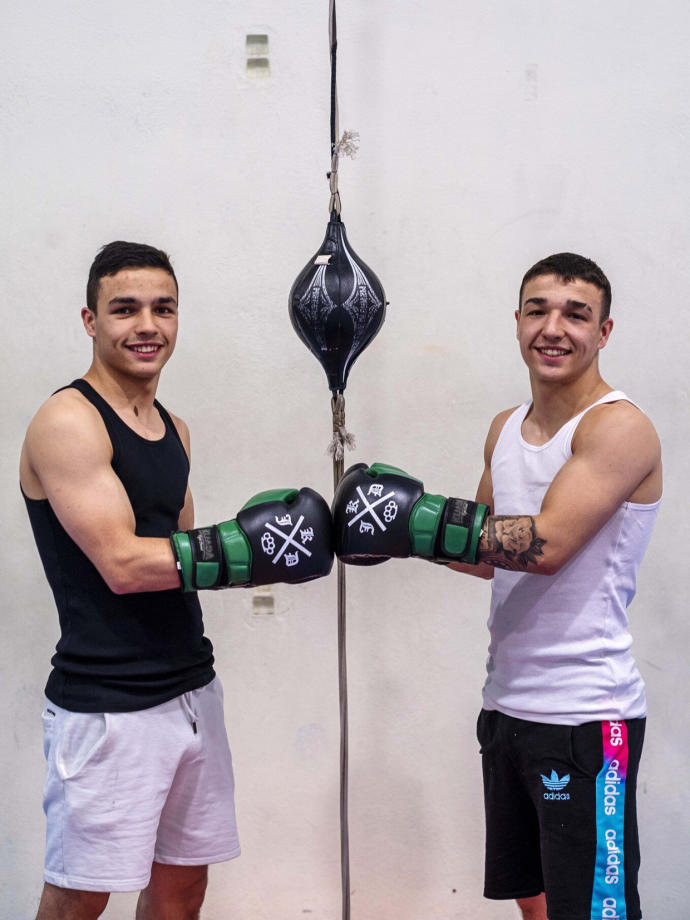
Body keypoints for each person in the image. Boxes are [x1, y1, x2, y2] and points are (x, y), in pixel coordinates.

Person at [331, 253, 662, 920]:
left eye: (576, 314)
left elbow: (543, 546)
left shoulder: (618, 427)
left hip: (587, 717)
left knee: (593, 910)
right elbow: (485, 553)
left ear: (605, 332)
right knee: (530, 894)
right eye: (538, 309)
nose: (554, 327)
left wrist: (413, 520)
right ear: (517, 322)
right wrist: (386, 533)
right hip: (508, 706)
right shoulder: (505, 428)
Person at [20, 241, 333, 920]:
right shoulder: (67, 422)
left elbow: (185, 558)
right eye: (125, 309)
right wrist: (255, 550)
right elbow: (125, 565)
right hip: (107, 704)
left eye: (163, 309)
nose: (147, 326)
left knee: (183, 885)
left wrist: (271, 553)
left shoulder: (174, 429)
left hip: (190, 689)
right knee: (80, 894)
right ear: (90, 320)